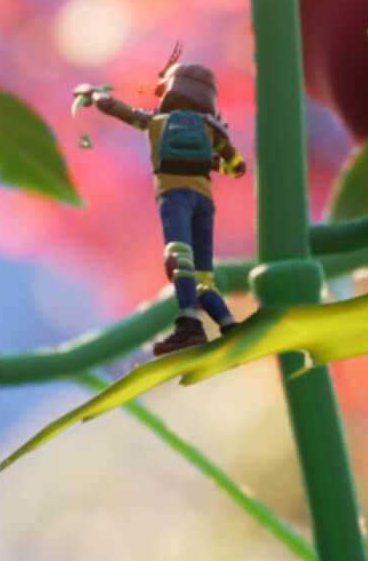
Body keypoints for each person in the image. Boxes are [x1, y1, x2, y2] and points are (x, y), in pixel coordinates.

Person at [75, 52, 249, 356]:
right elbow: (237, 167)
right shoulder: (212, 129)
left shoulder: (158, 122)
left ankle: (190, 328)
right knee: (204, 279)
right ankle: (229, 326)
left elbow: (118, 110)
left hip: (174, 196)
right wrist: (211, 160)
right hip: (203, 202)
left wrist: (95, 95)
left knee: (179, 258)